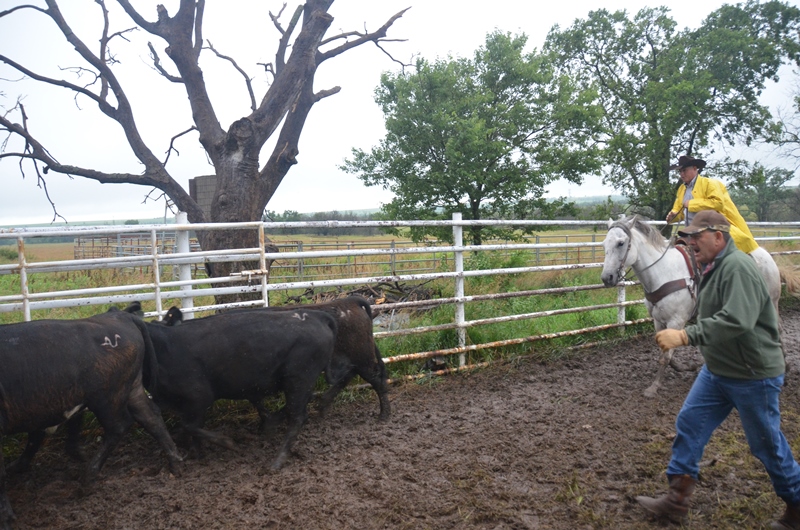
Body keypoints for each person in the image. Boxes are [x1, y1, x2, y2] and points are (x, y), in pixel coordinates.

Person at [636, 210, 800, 529]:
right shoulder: (711, 266)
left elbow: (736, 320)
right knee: (690, 422)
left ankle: (797, 503)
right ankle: (676, 501)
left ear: (718, 237)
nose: (690, 243)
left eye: (696, 237)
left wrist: (685, 335)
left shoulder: (737, 268)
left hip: (752, 373)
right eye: (687, 237)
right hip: (719, 369)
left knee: (766, 445)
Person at [665, 155, 759, 254]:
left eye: (684, 170)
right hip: (689, 232)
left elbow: (718, 203)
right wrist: (673, 216)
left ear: (694, 168)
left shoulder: (709, 183)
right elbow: (679, 210)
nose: (682, 174)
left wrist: (692, 204)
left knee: (716, 255)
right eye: (680, 171)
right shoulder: (681, 189)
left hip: (710, 230)